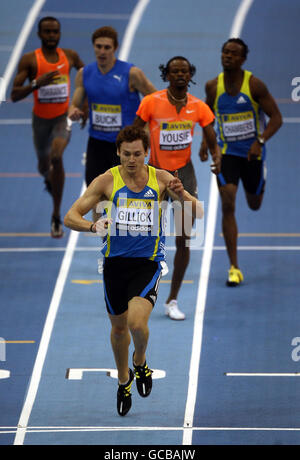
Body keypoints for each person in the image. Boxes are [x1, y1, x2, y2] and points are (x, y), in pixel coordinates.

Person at [64, 125, 203, 416]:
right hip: (114, 265)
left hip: (147, 264)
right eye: (126, 154)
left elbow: (196, 214)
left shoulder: (162, 179)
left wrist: (182, 196)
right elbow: (70, 216)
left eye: (137, 154)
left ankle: (139, 361)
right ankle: (124, 380)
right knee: (117, 328)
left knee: (136, 324)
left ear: (146, 153)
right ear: (118, 152)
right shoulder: (106, 181)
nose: (131, 159)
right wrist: (93, 225)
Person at [134, 56, 221, 320]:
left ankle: (172, 300)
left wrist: (215, 155)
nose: (180, 75)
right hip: (154, 174)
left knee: (184, 238)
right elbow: (133, 135)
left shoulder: (198, 107)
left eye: (184, 71)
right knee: (145, 235)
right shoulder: (151, 102)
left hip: (184, 174)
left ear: (190, 75)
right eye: (175, 71)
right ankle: (139, 292)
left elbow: (210, 134)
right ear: (167, 75)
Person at [200, 38, 282, 286]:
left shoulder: (254, 85)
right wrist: (206, 143)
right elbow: (207, 116)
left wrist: (260, 140)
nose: (228, 56)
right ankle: (234, 267)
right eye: (225, 52)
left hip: (252, 155)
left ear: (243, 59)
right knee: (227, 201)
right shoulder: (213, 86)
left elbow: (277, 118)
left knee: (254, 203)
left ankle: (259, 179)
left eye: (234, 54)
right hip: (226, 153)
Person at [68, 25, 156, 220]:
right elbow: (75, 102)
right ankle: (104, 240)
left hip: (125, 145)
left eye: (107, 47)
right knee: (96, 196)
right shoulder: (85, 73)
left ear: (115, 48)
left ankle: (127, 236)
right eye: (98, 46)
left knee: (125, 195)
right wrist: (74, 111)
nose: (102, 51)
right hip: (97, 143)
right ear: (93, 47)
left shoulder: (131, 73)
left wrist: (143, 128)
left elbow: (154, 98)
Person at [10, 16, 85, 238]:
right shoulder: (30, 60)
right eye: (47, 32)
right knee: (43, 165)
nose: (52, 36)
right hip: (40, 122)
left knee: (56, 156)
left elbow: (88, 77)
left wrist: (85, 104)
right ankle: (47, 177)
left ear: (59, 34)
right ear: (39, 34)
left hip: (62, 119)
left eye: (55, 32)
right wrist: (36, 83)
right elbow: (14, 95)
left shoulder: (69, 56)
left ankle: (55, 215)